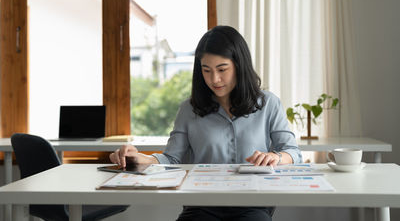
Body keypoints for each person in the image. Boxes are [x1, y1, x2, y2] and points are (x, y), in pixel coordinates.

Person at [110, 25, 302, 221]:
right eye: (206, 70)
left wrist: (275, 158)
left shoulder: (268, 104)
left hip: (253, 206)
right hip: (201, 207)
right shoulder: (189, 109)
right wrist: (141, 159)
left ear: (239, 65)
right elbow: (172, 159)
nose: (214, 79)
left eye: (222, 69)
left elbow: (293, 153)